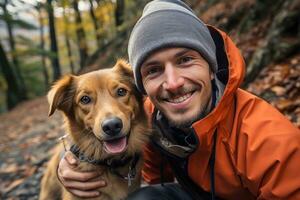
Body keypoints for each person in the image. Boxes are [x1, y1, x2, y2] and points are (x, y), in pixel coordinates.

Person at [56, 0, 300, 199]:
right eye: (153, 70)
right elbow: (148, 175)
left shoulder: (271, 143)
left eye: (185, 60)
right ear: (142, 87)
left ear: (211, 66)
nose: (173, 84)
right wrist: (70, 164)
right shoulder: (150, 115)